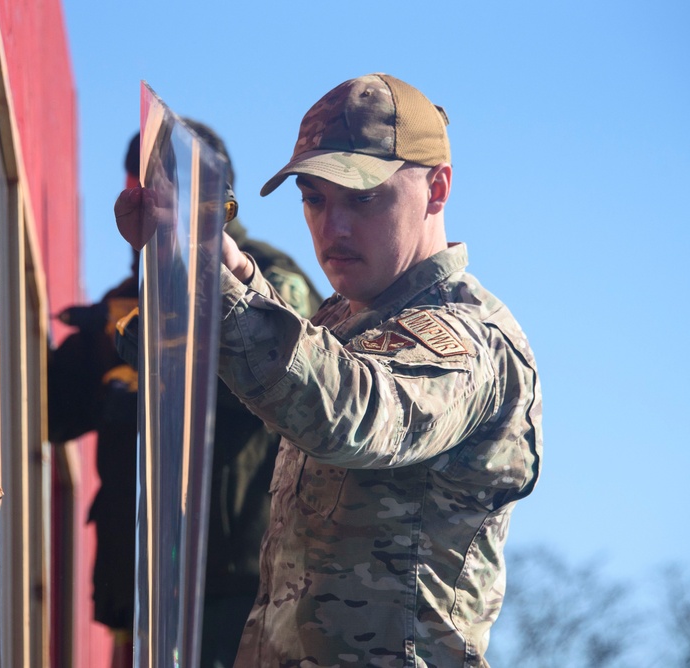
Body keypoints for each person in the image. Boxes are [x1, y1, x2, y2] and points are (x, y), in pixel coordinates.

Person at [115, 73, 543, 667]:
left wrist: (217, 283)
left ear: (437, 189)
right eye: (314, 199)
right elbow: (310, 360)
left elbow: (353, 410)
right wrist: (211, 272)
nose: (332, 227)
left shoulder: (468, 339)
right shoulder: (347, 322)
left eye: (362, 197)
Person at [52, 126, 322, 668]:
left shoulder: (263, 279)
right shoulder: (129, 299)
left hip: (229, 585)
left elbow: (276, 377)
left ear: (215, 190)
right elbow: (46, 412)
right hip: (143, 589)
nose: (153, 196)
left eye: (174, 181)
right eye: (146, 182)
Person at [48, 134, 142, 668]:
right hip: (130, 580)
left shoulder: (258, 290)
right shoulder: (117, 306)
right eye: (133, 186)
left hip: (222, 589)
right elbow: (55, 414)